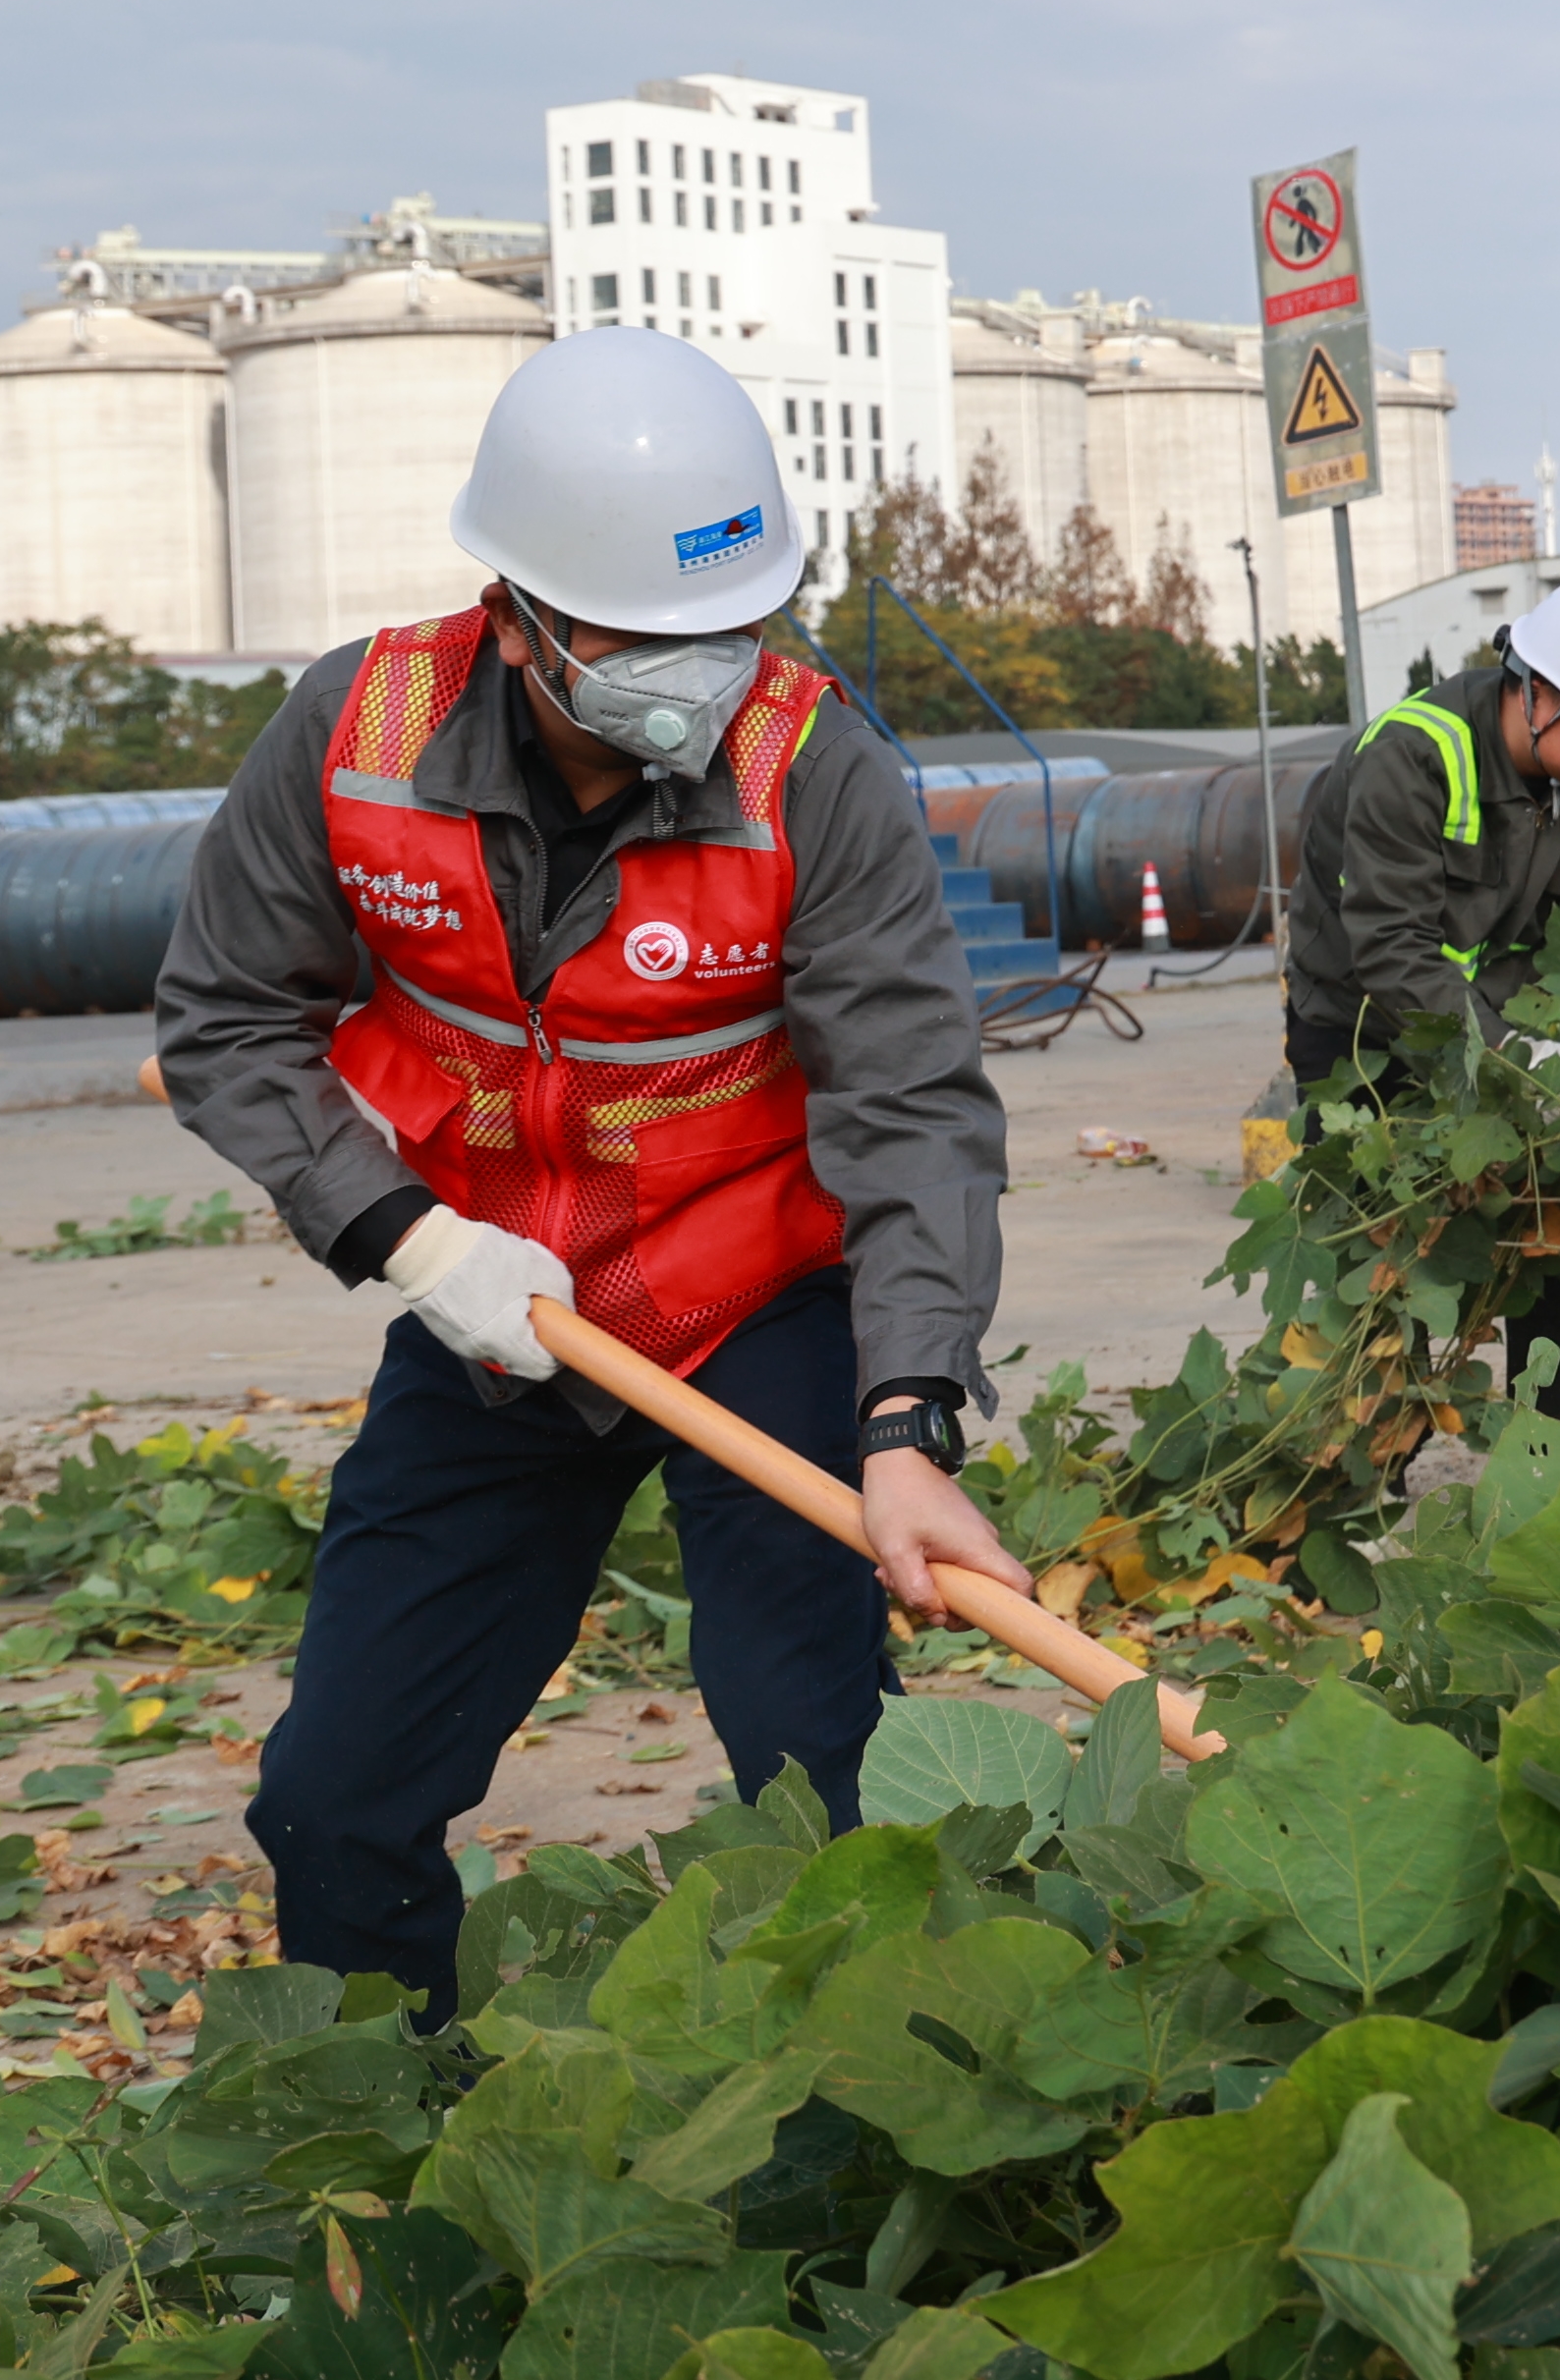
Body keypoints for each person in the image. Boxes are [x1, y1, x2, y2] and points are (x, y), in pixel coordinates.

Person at [155, 328, 1023, 2020]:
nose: (699, 672)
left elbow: (913, 1102)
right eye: (648, 635)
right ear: (518, 610)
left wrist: (907, 1418)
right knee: (335, 1792)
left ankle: (869, 2117)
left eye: (732, 626)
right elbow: (224, 1019)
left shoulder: (808, 766)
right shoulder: (355, 733)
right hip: (487, 1305)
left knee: (818, 1777)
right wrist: (409, 1244)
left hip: (756, 1301)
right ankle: (383, 2139)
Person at [1279, 574, 1560, 1421]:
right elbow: (1392, 950)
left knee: (1550, 1203)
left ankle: (1556, 1417)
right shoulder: (1414, 756)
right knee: (1374, 1259)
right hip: (1360, 1030)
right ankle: (1361, 1437)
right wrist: (1514, 1055)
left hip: (1500, 1025)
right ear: (1537, 692)